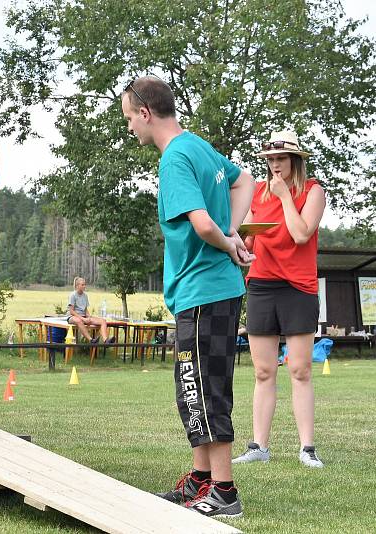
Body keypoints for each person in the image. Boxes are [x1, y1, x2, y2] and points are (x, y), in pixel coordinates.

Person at [121, 75, 255, 518]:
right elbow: (246, 181)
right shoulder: (198, 145)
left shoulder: (175, 157)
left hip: (202, 291)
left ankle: (224, 492)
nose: (129, 129)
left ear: (145, 112)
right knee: (196, 386)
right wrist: (234, 231)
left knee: (203, 390)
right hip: (216, 291)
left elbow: (200, 225)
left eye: (128, 120)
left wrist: (225, 239)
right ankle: (201, 479)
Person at [232, 131, 326, 468]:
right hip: (261, 285)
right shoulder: (256, 191)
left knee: (299, 370)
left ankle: (307, 449)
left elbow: (302, 234)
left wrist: (285, 196)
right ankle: (258, 446)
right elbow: (246, 237)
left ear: (295, 161)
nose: (274, 166)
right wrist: (242, 240)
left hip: (298, 288)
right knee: (263, 371)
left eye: (280, 160)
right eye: (270, 160)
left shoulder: (313, 191)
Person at [67, 277, 111, 343]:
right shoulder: (72, 295)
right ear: (77, 286)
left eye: (85, 284)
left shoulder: (85, 296)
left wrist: (89, 317)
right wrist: (83, 319)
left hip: (83, 316)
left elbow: (85, 310)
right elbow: (72, 311)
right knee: (78, 320)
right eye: (82, 285)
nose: (84, 286)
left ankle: (106, 341)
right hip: (73, 317)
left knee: (103, 321)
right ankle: (91, 340)